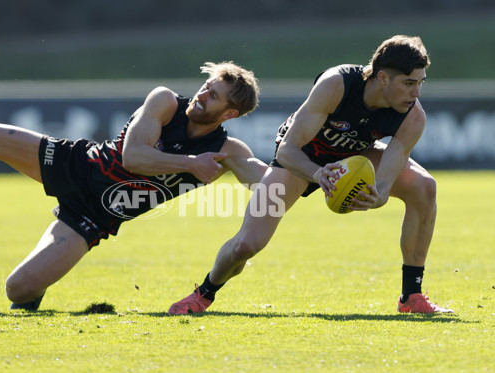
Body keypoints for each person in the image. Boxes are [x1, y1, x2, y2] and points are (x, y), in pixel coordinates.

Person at [0, 61, 267, 311]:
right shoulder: (166, 102)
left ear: (229, 114)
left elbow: (265, 178)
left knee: (17, 290)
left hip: (95, 217)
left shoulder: (226, 151)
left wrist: (311, 176)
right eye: (206, 86)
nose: (202, 94)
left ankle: (39, 282)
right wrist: (190, 164)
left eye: (213, 96)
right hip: (75, 164)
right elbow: (133, 157)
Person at [169, 35, 455, 315]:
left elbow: (392, 165)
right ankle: (203, 293)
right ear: (382, 78)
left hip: (356, 154)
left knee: (424, 187)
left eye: (420, 83)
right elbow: (287, 151)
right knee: (247, 244)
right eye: (409, 83)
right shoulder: (337, 84)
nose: (416, 93)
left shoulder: (413, 116)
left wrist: (378, 195)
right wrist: (318, 174)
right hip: (303, 156)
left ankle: (412, 296)